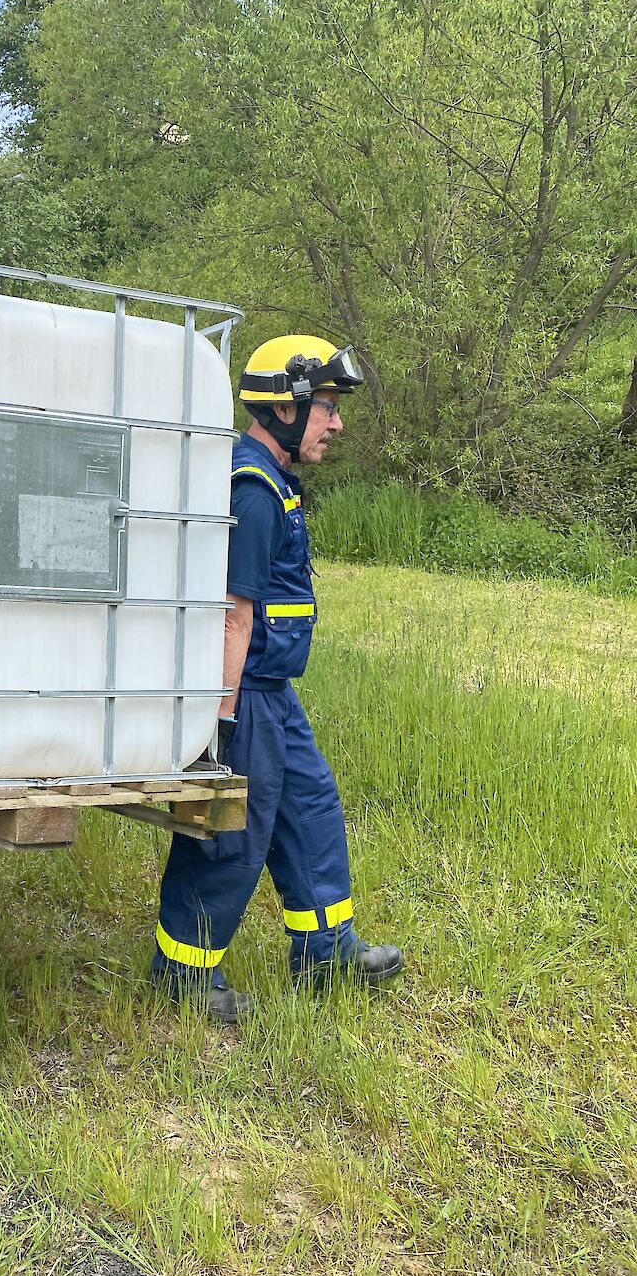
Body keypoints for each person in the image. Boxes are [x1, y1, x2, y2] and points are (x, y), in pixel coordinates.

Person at [150, 335, 404, 1022]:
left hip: (275, 695)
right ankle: (183, 973)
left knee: (312, 809)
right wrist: (222, 723)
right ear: (285, 407)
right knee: (234, 833)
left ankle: (326, 951)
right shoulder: (254, 489)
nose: (336, 422)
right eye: (326, 406)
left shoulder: (274, 478)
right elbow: (233, 619)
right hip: (248, 698)